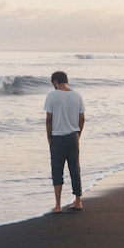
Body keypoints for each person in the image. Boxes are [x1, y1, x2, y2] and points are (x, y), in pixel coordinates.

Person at [44, 71, 85, 213]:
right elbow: (82, 118)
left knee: (57, 169)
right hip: (73, 136)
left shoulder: (52, 95)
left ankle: (58, 205)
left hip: (58, 137)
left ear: (55, 82)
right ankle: (78, 201)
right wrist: (78, 134)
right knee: (75, 168)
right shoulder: (77, 95)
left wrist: (49, 137)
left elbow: (49, 118)